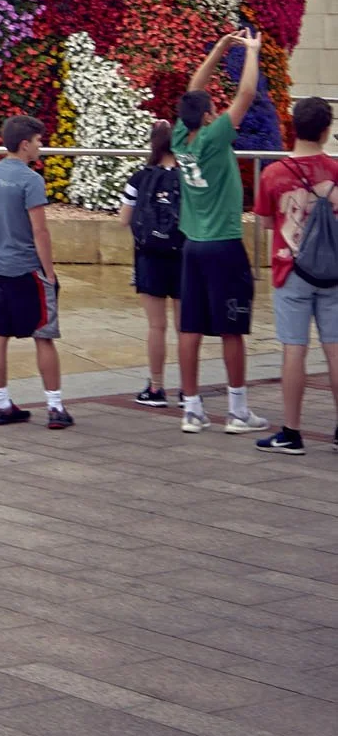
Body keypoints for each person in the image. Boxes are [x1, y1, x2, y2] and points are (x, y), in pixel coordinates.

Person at [174, 23, 264, 436]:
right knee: (232, 326)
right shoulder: (214, 137)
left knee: (190, 327)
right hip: (224, 244)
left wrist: (219, 48)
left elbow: (194, 89)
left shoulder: (180, 137)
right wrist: (251, 51)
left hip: (192, 244)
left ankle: (192, 409)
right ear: (209, 116)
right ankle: (237, 410)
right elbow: (245, 95)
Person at [252, 95, 338, 456]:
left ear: (292, 128)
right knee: (335, 349)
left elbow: (265, 221)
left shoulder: (274, 173)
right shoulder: (335, 170)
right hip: (333, 271)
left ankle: (291, 432)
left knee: (294, 349)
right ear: (326, 131)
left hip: (291, 270)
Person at [0, 114, 71, 429]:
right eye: (37, 141)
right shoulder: (31, 180)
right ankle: (55, 407)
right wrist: (49, 272)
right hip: (28, 269)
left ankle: (0, 402)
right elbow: (40, 231)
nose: (40, 146)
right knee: (43, 335)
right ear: (24, 145)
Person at [118, 119, 184, 406]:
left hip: (149, 257)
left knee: (157, 326)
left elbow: (124, 219)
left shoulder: (139, 178)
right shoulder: (188, 178)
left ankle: (156, 388)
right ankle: (188, 390)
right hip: (183, 256)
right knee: (185, 327)